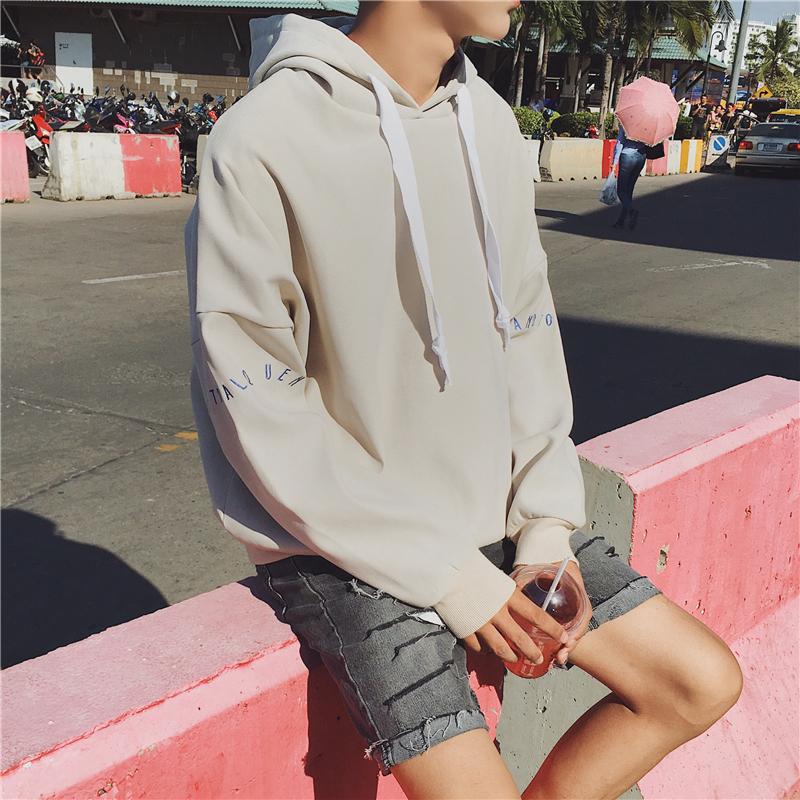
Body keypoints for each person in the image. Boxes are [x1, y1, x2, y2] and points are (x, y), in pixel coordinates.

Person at [184, 4, 743, 797]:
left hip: (498, 521)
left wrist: (544, 530)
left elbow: (526, 331)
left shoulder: (488, 121)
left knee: (699, 681)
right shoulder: (263, 136)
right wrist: (453, 579)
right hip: (348, 549)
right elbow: (258, 402)